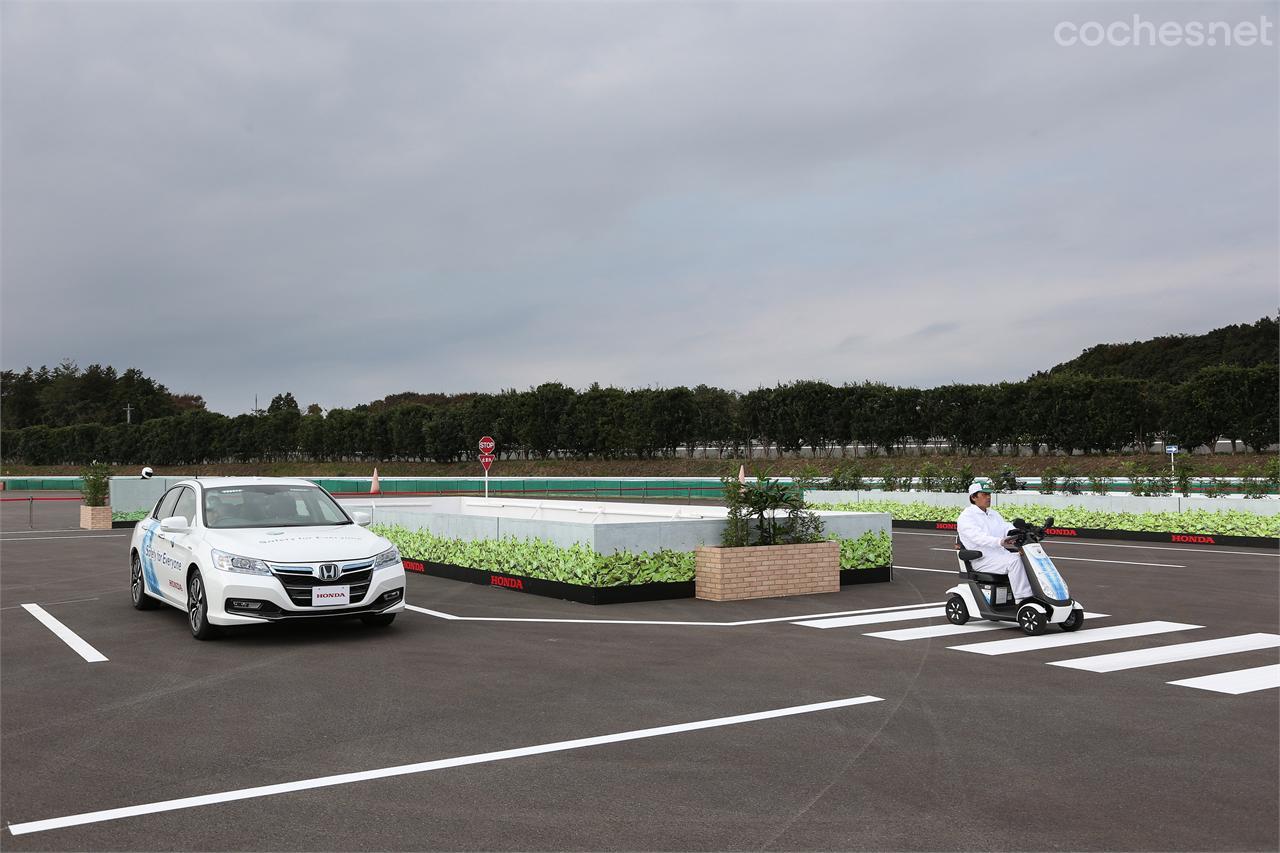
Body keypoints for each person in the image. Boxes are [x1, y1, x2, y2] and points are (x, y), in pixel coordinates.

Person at [956, 482, 1033, 603]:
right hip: (982, 559)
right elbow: (978, 537)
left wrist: (1016, 531)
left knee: (1027, 558)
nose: (988, 497)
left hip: (1000, 555)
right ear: (973, 497)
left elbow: (1005, 527)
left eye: (989, 494)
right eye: (984, 494)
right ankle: (1023, 599)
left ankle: (1037, 594)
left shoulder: (993, 514)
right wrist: (999, 541)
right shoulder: (966, 517)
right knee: (1015, 562)